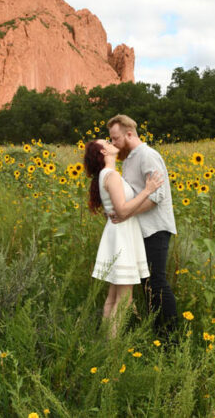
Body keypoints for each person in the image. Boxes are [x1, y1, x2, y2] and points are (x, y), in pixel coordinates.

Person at [84, 139, 164, 337]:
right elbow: (122, 209)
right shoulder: (110, 175)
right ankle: (113, 350)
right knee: (125, 300)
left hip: (119, 233)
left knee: (113, 296)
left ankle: (106, 344)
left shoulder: (109, 174)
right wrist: (148, 189)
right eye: (107, 141)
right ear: (104, 151)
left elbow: (117, 208)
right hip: (122, 235)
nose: (112, 142)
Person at [107, 115, 178, 336]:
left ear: (129, 134)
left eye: (116, 138)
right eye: (110, 140)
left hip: (155, 229)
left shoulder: (147, 156)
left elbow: (157, 195)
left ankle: (170, 339)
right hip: (141, 230)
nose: (113, 144)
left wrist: (126, 213)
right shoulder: (129, 160)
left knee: (156, 283)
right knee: (148, 285)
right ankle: (156, 334)